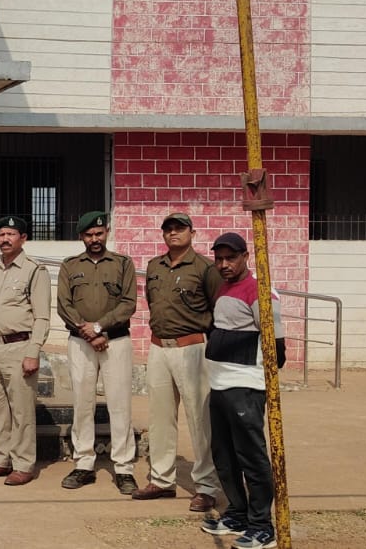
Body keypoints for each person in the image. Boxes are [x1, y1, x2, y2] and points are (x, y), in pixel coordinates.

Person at [201, 232, 286, 549]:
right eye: (219, 259)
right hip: (219, 384)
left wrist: (261, 375)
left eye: (231, 258)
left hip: (245, 387)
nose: (224, 264)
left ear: (246, 257)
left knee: (251, 456)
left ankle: (262, 526)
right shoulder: (224, 288)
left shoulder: (260, 291)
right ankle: (237, 513)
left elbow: (276, 345)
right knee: (224, 455)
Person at [134, 212, 224, 510]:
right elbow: (152, 302)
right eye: (168, 229)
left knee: (200, 419)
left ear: (192, 233)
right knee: (160, 418)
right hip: (159, 347)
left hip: (192, 347)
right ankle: (162, 480)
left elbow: (217, 309)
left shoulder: (205, 268)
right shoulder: (154, 266)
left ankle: (206, 486)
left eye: (180, 228)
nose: (173, 233)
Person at [56, 210, 139, 494]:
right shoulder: (69, 266)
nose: (95, 239)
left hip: (115, 341)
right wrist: (88, 332)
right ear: (81, 236)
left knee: (120, 405)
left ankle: (124, 467)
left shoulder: (123, 264)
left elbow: (128, 303)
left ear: (107, 233)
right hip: (81, 342)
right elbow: (64, 304)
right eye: (89, 234)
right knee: (82, 403)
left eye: (99, 233)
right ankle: (83, 464)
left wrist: (100, 327)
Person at [0, 215, 51, 487]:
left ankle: (23, 464)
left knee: (21, 411)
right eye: (1, 234)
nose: (5, 239)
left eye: (11, 234)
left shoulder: (34, 270)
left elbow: (42, 316)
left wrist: (33, 351)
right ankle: (0, 460)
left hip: (18, 348)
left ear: (23, 238)